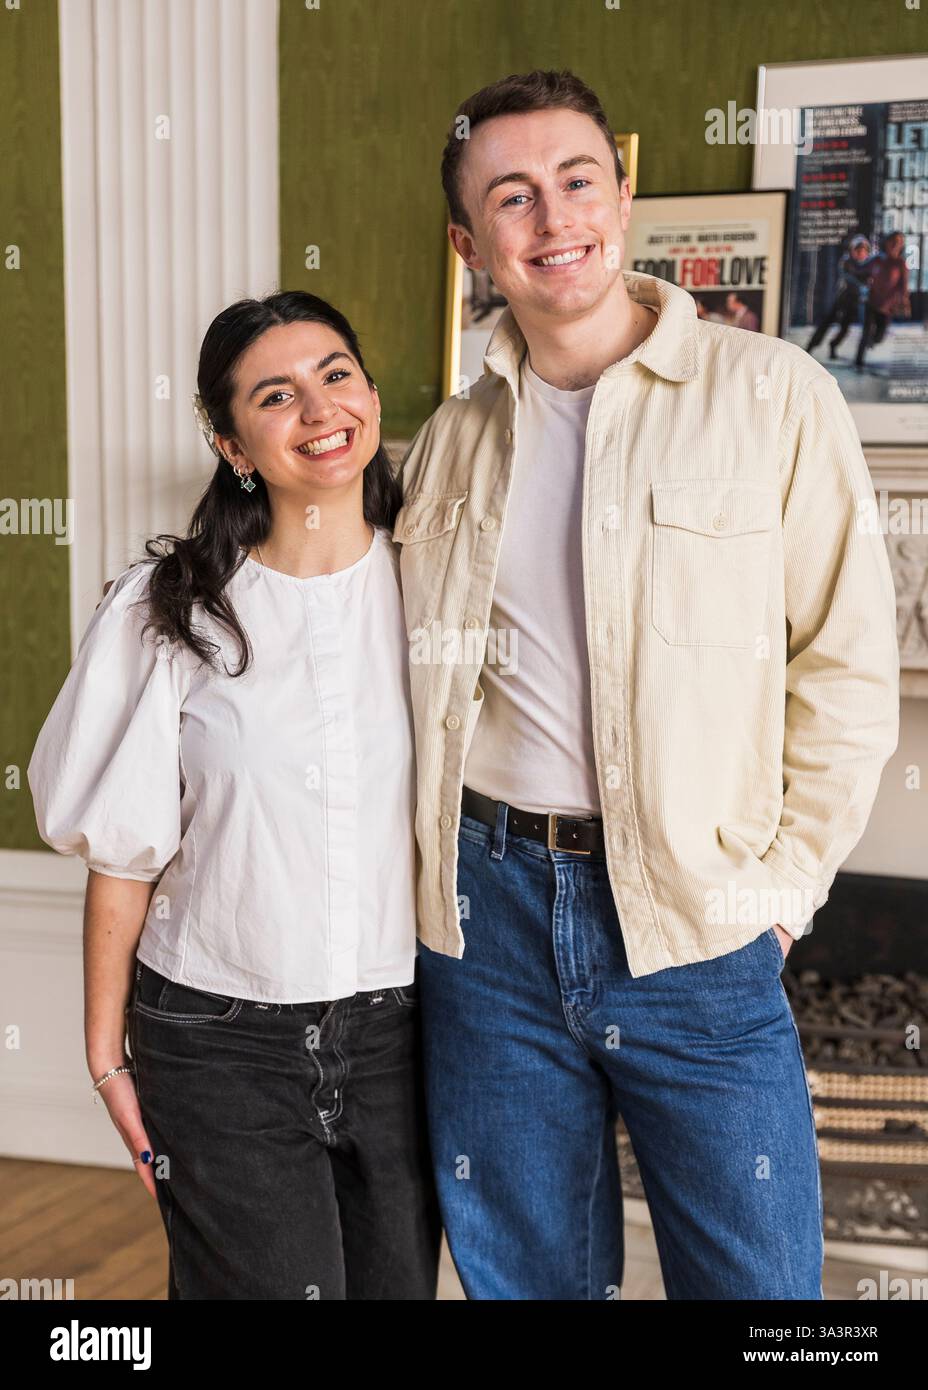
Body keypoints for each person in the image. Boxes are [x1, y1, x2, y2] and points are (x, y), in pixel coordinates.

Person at [394, 69, 900, 1300]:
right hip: (487, 923)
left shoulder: (773, 397)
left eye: (576, 181)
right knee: (525, 1282)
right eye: (510, 197)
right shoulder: (452, 440)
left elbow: (846, 668)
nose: (551, 217)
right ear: (471, 245)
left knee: (759, 1293)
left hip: (699, 917)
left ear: (624, 197)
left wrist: (781, 896)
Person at [27, 291, 441, 1300]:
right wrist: (104, 1055)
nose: (318, 407)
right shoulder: (170, 611)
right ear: (234, 444)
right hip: (218, 1043)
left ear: (373, 400)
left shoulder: (439, 589)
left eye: (335, 374)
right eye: (276, 394)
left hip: (402, 1036)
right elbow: (124, 853)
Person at [806, 234, 873, 359]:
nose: (860, 253)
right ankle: (811, 346)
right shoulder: (847, 261)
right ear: (853, 250)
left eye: (863, 250)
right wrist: (861, 284)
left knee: (845, 328)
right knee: (827, 321)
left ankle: (833, 345)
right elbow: (846, 276)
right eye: (858, 250)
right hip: (843, 297)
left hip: (857, 300)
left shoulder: (870, 264)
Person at [855, 231, 911, 370]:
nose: (896, 244)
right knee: (866, 332)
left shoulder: (900, 264)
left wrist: (904, 301)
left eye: (899, 242)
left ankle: (872, 341)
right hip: (871, 302)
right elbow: (861, 270)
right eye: (893, 240)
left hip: (887, 306)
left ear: (902, 245)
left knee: (879, 337)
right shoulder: (877, 260)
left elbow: (903, 285)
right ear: (886, 243)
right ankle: (858, 362)